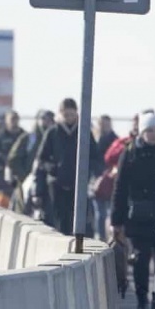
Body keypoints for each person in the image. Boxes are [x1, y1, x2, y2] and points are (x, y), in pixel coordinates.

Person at [110, 112, 155, 309]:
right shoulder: (130, 152)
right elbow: (120, 187)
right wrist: (117, 220)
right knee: (140, 260)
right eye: (149, 130)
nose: (154, 134)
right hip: (138, 217)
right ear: (142, 132)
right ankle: (142, 301)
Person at [33, 98, 102, 234]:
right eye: (66, 115)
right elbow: (41, 160)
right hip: (57, 185)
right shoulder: (53, 133)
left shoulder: (84, 132)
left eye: (71, 114)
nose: (69, 118)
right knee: (59, 221)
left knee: (79, 222)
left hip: (79, 186)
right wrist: (52, 169)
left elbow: (95, 158)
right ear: (60, 114)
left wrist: (89, 173)